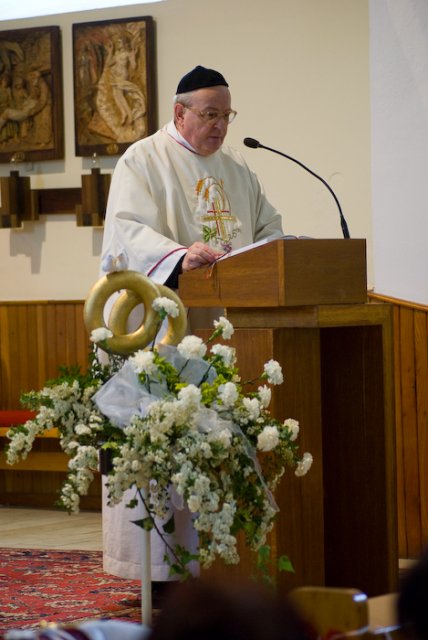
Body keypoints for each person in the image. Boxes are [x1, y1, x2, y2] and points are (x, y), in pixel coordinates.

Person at [99, 65, 284, 593]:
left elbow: (269, 229)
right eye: (210, 114)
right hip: (162, 329)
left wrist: (272, 250)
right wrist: (179, 255)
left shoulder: (238, 169)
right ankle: (161, 574)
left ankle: (222, 568)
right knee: (165, 446)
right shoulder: (144, 160)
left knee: (219, 444)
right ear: (179, 113)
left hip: (228, 332)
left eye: (226, 115)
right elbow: (125, 233)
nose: (220, 125)